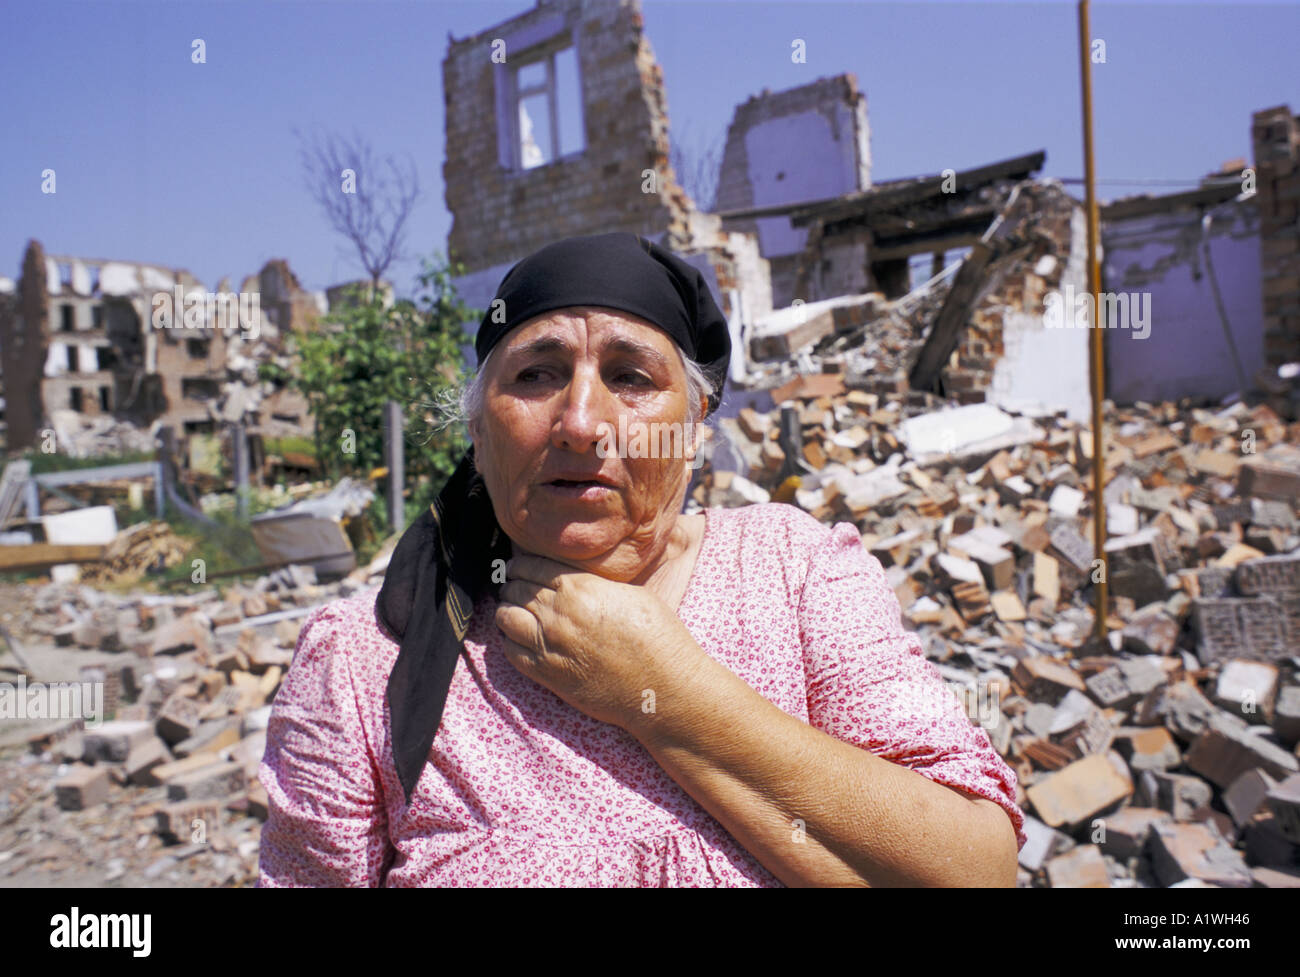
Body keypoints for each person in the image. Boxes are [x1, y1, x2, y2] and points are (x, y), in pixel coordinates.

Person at [256, 231, 1026, 887]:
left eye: (630, 377)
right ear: (478, 430)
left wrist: (664, 688)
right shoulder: (363, 664)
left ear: (693, 428)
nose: (581, 422)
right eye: (536, 374)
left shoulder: (795, 570)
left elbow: (975, 866)